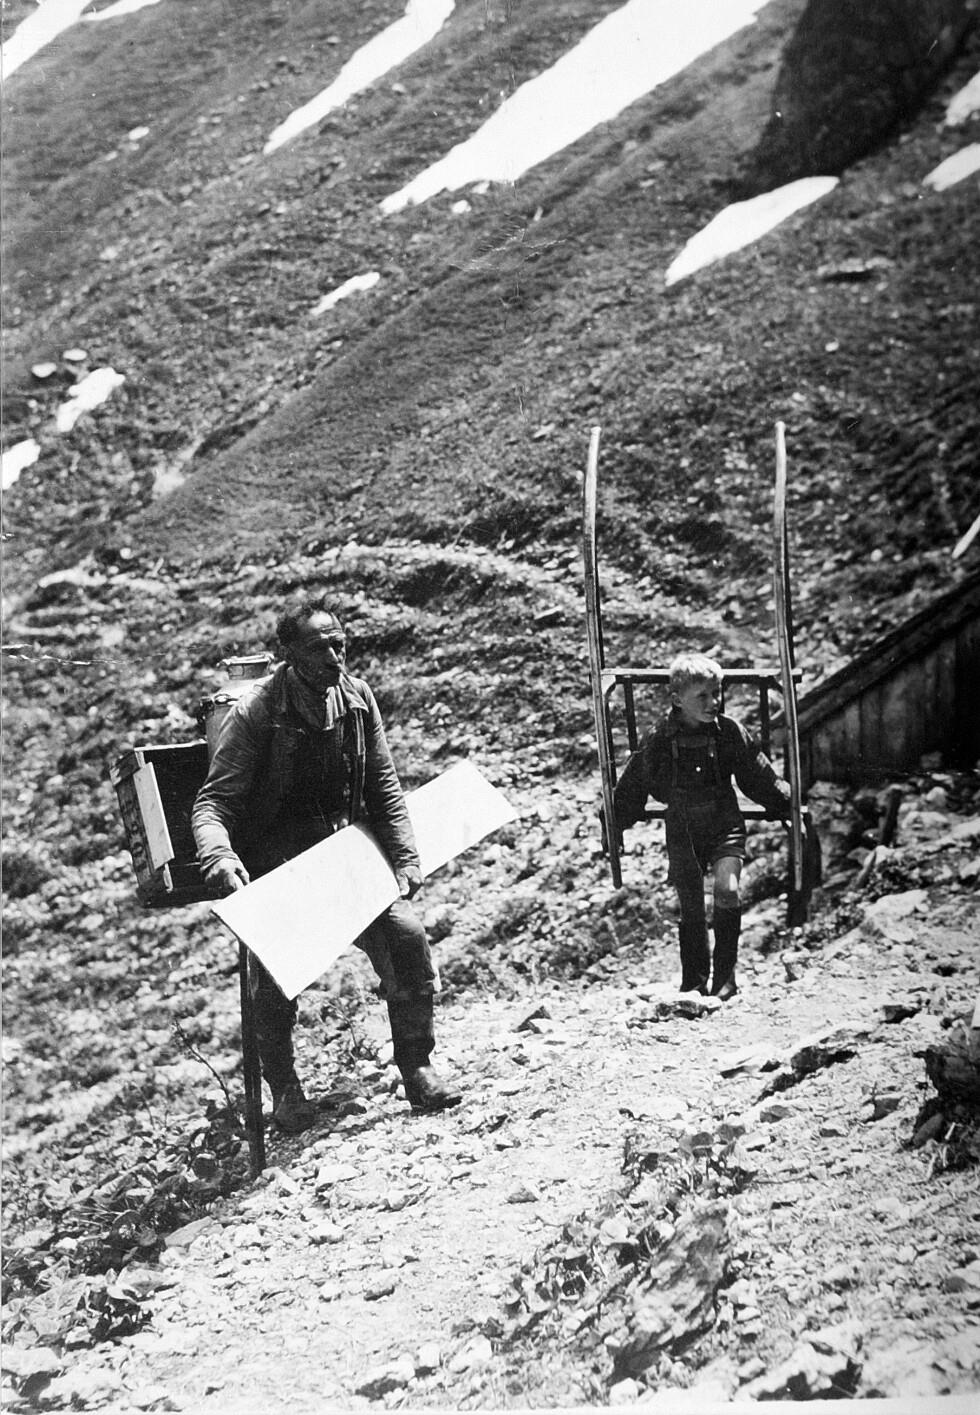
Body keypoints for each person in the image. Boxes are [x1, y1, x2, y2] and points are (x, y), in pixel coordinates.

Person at [191, 596, 462, 1132]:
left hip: (343, 858)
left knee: (406, 938)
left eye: (340, 645)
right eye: (320, 649)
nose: (335, 658)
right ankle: (287, 1093)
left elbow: (384, 786)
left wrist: (405, 859)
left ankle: (418, 1068)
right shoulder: (257, 712)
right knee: (273, 979)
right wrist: (220, 857)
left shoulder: (357, 699)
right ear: (289, 656)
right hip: (279, 864)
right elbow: (213, 804)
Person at [611, 652, 791, 1000]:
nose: (713, 702)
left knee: (727, 889)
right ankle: (694, 982)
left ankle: (725, 979)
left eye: (716, 693)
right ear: (678, 700)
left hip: (724, 822)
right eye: (702, 696)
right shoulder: (660, 737)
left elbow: (757, 775)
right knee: (691, 904)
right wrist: (615, 821)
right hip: (683, 828)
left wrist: (786, 801)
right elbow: (635, 783)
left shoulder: (729, 732)